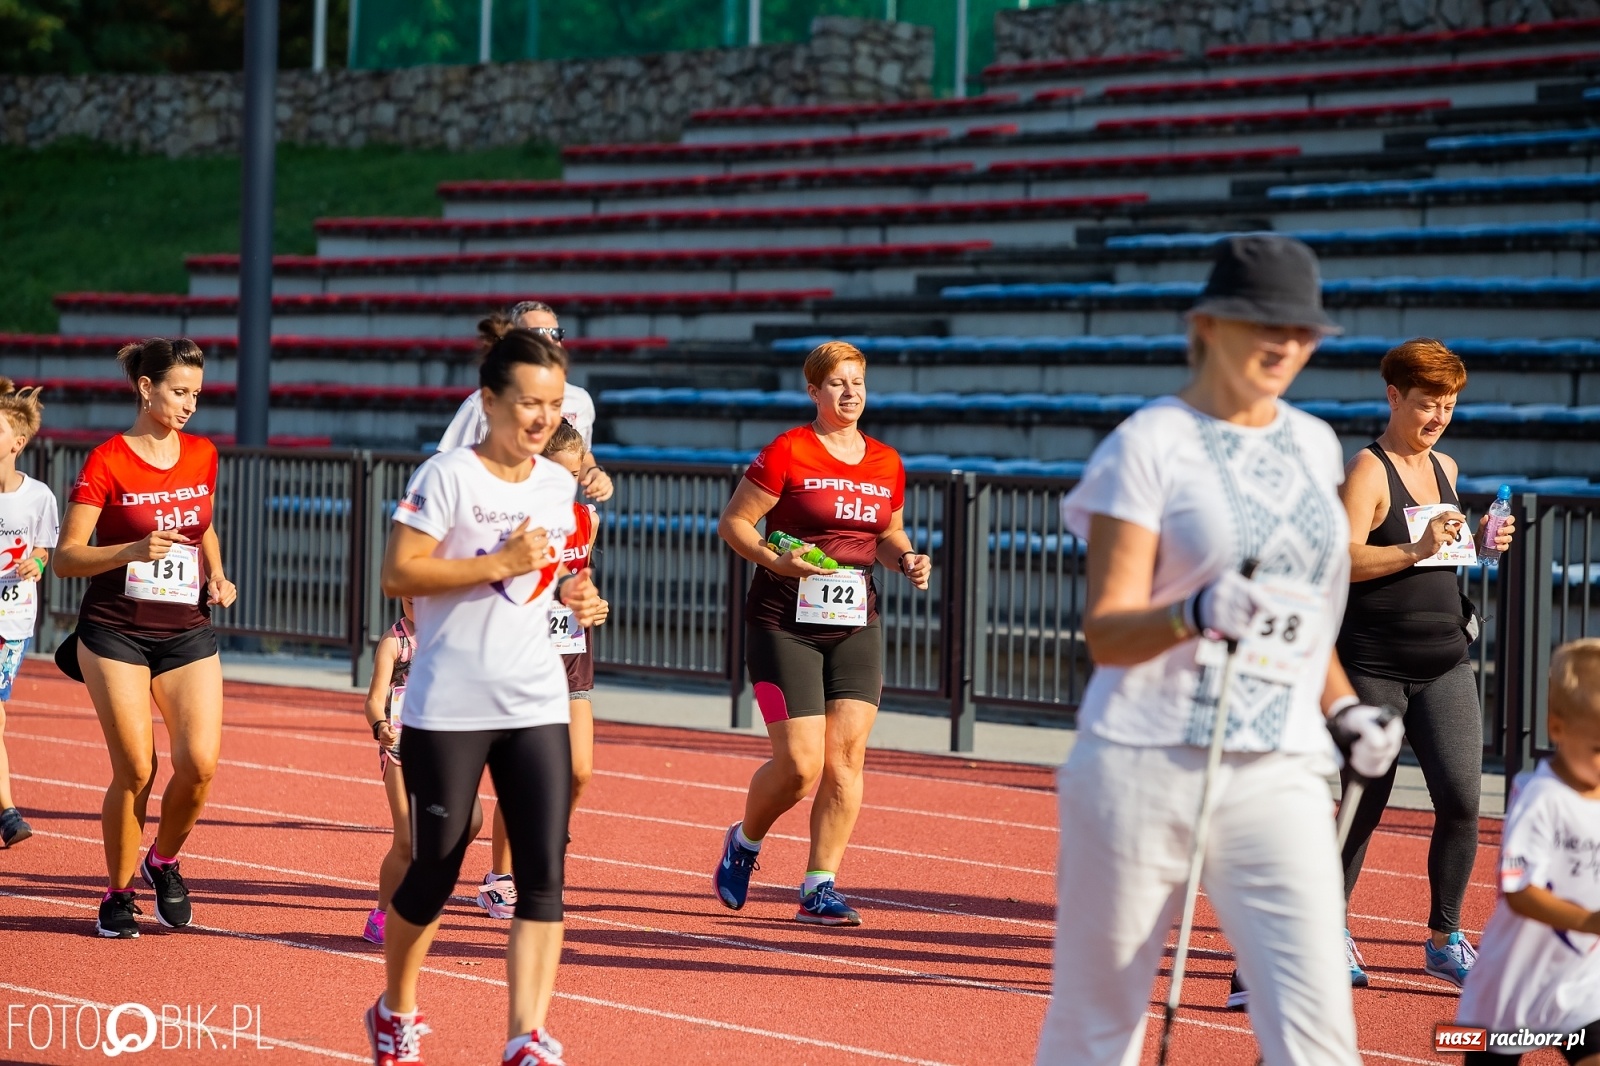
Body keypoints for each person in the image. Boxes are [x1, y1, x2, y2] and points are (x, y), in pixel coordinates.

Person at [1033, 235, 1405, 1066]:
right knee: (1098, 1024)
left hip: (1281, 764)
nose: (1285, 345)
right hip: (1144, 760)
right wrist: (1192, 610)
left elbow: (1303, 618)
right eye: (1259, 324)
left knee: (1318, 1030)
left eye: (1303, 332)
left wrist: (1342, 708)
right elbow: (1108, 630)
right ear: (1206, 325)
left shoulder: (1315, 444)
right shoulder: (1147, 443)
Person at [365, 327, 604, 1066]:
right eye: (528, 403)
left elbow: (544, 579)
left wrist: (575, 590)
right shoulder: (448, 476)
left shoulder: (558, 486)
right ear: (489, 401)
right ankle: (394, 1009)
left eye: (554, 405)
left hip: (536, 699)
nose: (541, 419)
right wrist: (498, 560)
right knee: (436, 865)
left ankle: (524, 1036)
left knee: (543, 875)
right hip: (450, 702)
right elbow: (398, 575)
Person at [711, 340, 932, 927]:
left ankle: (819, 884)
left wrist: (907, 558)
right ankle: (746, 840)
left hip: (855, 622)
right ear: (814, 391)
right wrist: (776, 560)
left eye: (858, 381)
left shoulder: (886, 461)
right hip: (784, 621)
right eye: (838, 383)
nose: (851, 392)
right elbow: (735, 523)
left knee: (846, 760)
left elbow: (887, 534)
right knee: (800, 767)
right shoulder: (789, 450)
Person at [1334, 339, 1516, 989]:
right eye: (1427, 403)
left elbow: (1446, 556)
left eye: (1449, 404)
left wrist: (1486, 548)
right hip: (1374, 661)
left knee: (1464, 801)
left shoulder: (1447, 465)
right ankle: (1331, 929)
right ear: (1394, 397)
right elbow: (1344, 560)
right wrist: (1414, 548)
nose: (1438, 415)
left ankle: (1444, 937)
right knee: (1366, 800)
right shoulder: (1367, 469)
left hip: (1445, 661)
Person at [52, 339, 237, 939]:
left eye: (196, 394)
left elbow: (200, 524)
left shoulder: (203, 453)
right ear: (146, 388)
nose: (189, 405)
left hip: (184, 628)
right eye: (179, 392)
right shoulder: (107, 460)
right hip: (114, 630)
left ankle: (165, 860)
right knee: (136, 768)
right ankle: (117, 892)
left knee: (200, 765)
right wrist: (130, 550)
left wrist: (218, 571)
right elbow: (66, 559)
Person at [439, 309, 612, 918]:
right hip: (509, 641)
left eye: (556, 333)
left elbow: (574, 563)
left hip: (568, 645)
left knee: (582, 770)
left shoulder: (578, 477)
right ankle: (502, 874)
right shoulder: (482, 439)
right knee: (529, 771)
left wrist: (584, 595)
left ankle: (537, 847)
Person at [1454, 638, 1600, 1066]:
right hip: (1510, 992)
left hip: (1578, 985)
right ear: (1557, 728)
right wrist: (1589, 920)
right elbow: (1517, 891)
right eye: (1597, 747)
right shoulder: (1542, 798)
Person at [437, 302, 612, 503]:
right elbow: (445, 466)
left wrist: (594, 472)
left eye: (556, 333)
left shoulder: (579, 400)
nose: (546, 418)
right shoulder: (483, 403)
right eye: (529, 404)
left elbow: (579, 455)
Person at [0, 380, 58, 848]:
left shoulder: (38, 497)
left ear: (17, 442)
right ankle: (8, 813)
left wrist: (35, 564)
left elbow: (43, 551)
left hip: (11, 622)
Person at [541, 421, 608, 821]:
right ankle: (502, 876)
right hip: (524, 660)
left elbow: (585, 582)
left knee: (579, 771)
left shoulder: (588, 519)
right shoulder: (520, 522)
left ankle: (549, 834)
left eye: (572, 475)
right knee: (528, 781)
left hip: (572, 658)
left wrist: (595, 604)